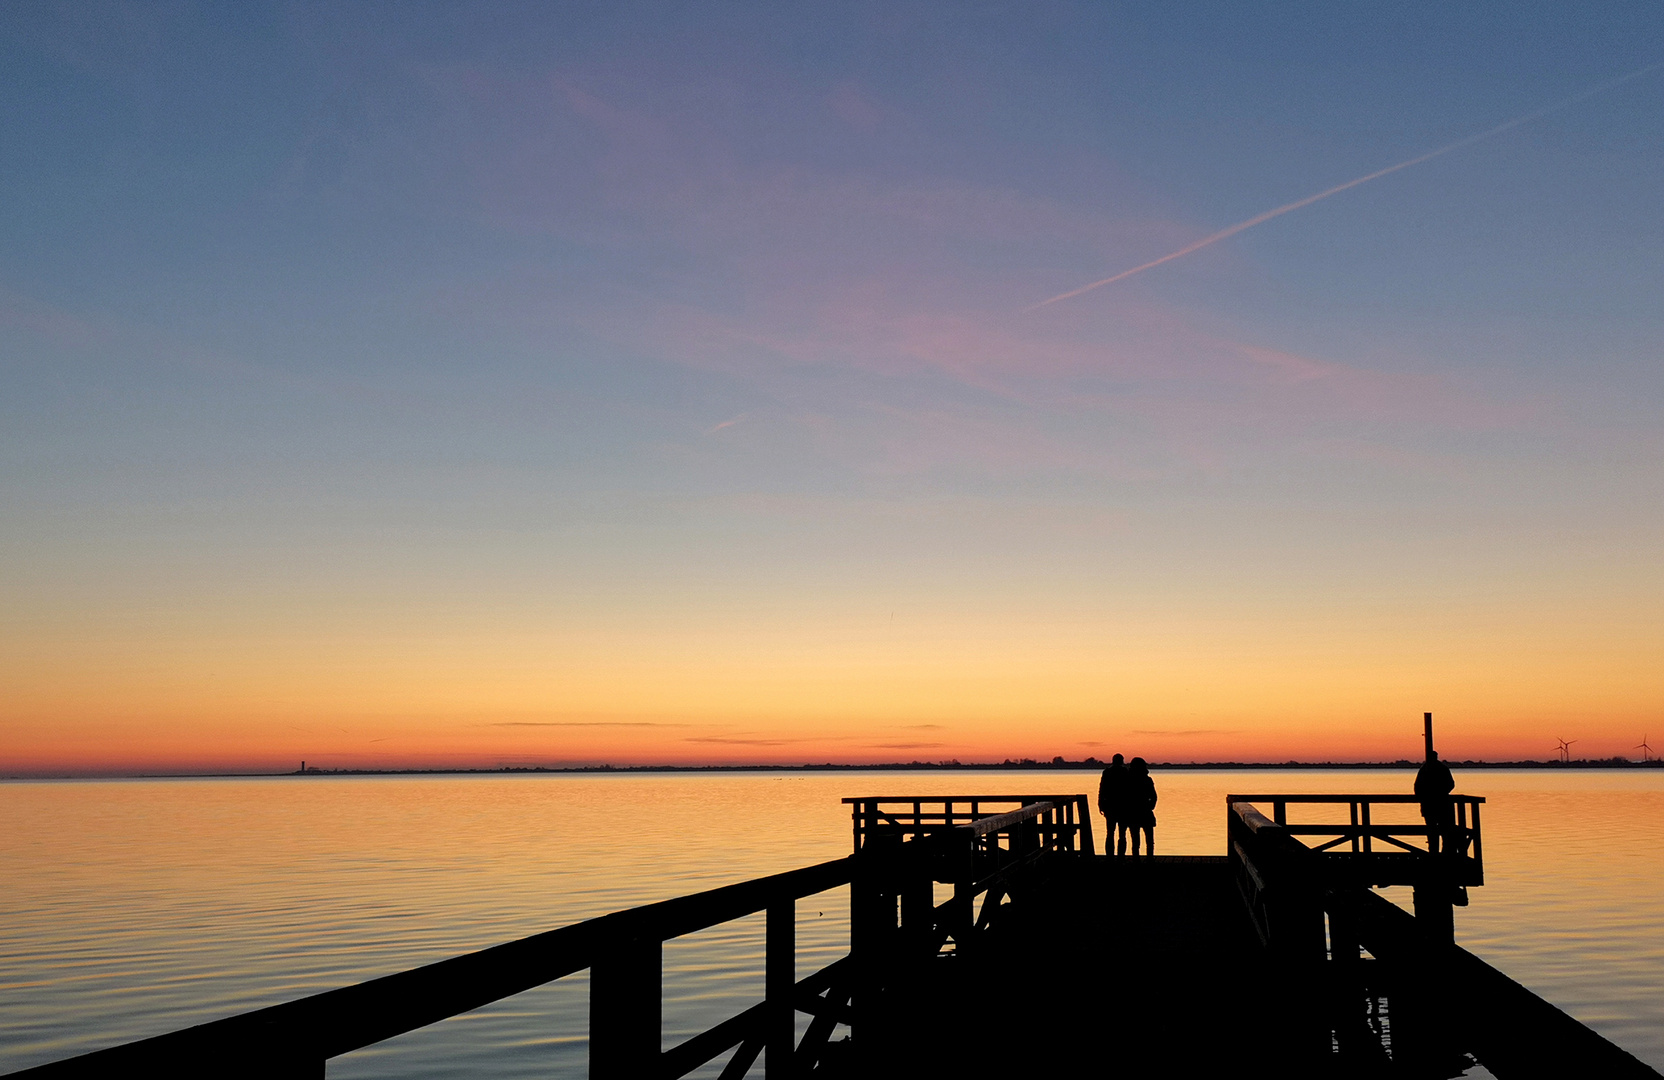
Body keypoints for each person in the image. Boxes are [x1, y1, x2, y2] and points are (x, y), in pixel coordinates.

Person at [1415, 749, 1455, 855]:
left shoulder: (1424, 769)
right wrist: (1443, 793)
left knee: (1433, 829)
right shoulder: (1442, 768)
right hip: (1442, 805)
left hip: (1429, 805)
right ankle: (1444, 852)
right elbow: (1451, 784)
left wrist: (1421, 797)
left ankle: (1434, 851)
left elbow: (1417, 786)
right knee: (1443, 829)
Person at [1098, 754, 1132, 855]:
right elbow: (1129, 790)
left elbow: (1102, 789)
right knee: (1122, 834)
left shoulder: (1107, 772)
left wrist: (1100, 804)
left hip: (1110, 806)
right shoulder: (1126, 772)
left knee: (1110, 833)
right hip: (1123, 807)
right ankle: (1121, 857)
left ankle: (1110, 857)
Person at [1128, 757, 1157, 856]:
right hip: (1144, 811)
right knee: (1149, 840)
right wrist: (1150, 806)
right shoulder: (1147, 779)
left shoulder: (1128, 779)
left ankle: (1136, 860)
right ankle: (1150, 859)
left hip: (1133, 812)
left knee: (1135, 841)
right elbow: (1153, 796)